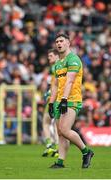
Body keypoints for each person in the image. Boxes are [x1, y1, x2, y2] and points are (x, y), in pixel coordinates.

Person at [48, 33, 94, 168]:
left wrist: (64, 99)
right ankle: (60, 162)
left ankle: (86, 152)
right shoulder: (57, 64)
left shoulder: (73, 59)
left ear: (68, 43)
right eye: (56, 41)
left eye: (61, 41)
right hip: (59, 100)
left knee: (65, 129)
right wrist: (51, 102)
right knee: (60, 133)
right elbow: (55, 85)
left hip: (71, 99)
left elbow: (70, 81)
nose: (58, 43)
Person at [42, 49, 59, 157]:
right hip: (59, 97)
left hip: (54, 98)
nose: (49, 58)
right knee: (56, 124)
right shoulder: (60, 66)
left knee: (46, 122)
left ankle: (49, 145)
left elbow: (55, 83)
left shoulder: (55, 67)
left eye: (51, 56)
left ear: (57, 56)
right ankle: (56, 148)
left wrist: (49, 92)